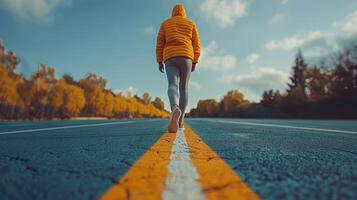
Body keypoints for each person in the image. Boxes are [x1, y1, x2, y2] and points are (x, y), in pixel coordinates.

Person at [156, 4, 201, 133]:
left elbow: (160, 43)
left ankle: (174, 107)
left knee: (172, 85)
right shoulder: (190, 23)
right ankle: (180, 121)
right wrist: (195, 61)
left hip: (169, 56)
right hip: (186, 56)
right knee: (183, 88)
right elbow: (197, 44)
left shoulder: (165, 23)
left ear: (173, 13)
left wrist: (159, 61)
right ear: (184, 13)